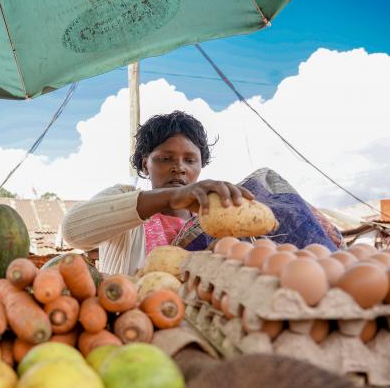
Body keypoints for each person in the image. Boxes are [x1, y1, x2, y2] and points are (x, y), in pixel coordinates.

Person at [62, 110, 253, 276]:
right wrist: (172, 198)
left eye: (190, 160)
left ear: (201, 166)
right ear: (145, 164)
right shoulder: (121, 197)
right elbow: (72, 232)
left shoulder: (212, 222)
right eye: (165, 158)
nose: (179, 168)